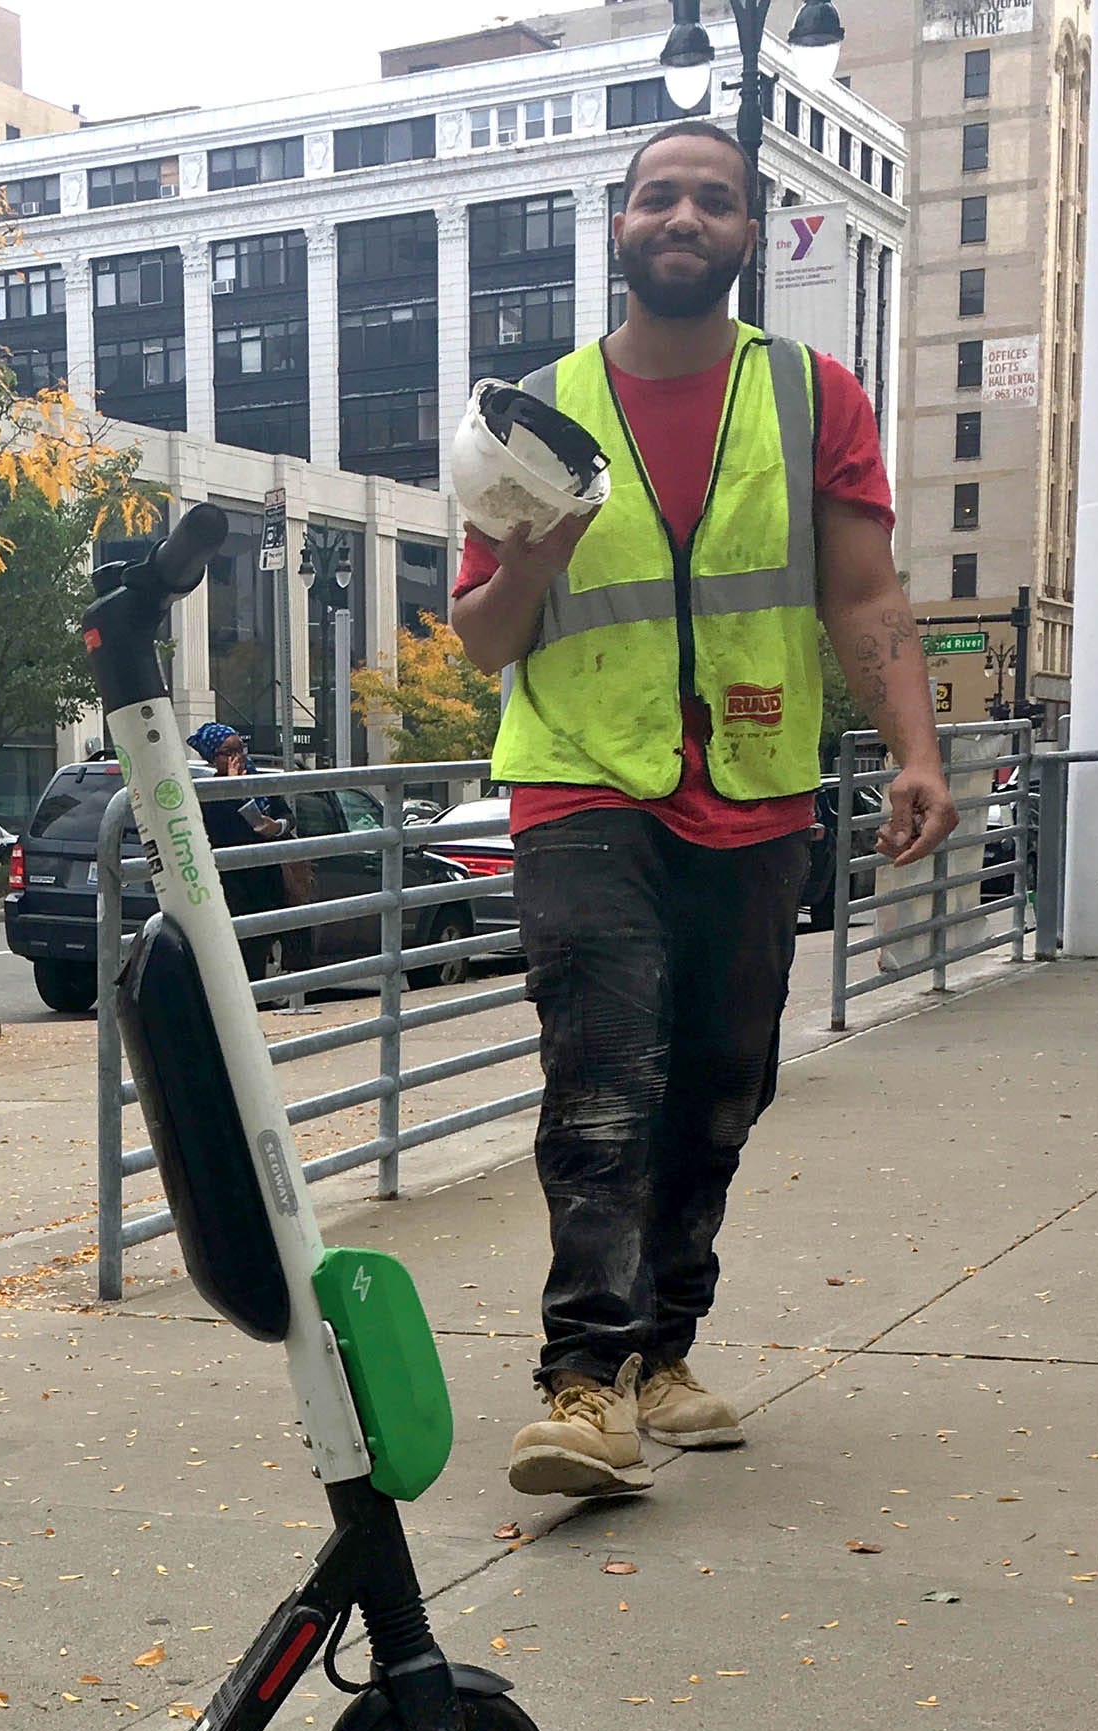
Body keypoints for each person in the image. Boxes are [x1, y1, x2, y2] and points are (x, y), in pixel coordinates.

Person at [450, 119, 957, 1501]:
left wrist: (916, 748)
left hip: (756, 784)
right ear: (616, 224)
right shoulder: (529, 410)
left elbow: (864, 596)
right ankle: (581, 1381)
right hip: (579, 778)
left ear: (747, 235)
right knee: (604, 1080)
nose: (684, 217)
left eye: (714, 201)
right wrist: (537, 554)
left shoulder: (812, 396)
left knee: (723, 1088)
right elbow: (486, 643)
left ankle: (665, 1352)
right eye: (658, 196)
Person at [187, 722, 303, 980]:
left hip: (267, 883)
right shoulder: (209, 793)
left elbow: (286, 815)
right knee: (237, 960)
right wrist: (233, 790)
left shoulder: (258, 782)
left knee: (263, 951)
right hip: (232, 889)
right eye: (228, 752)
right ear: (212, 757)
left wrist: (276, 826)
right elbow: (220, 830)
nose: (237, 757)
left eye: (240, 749)